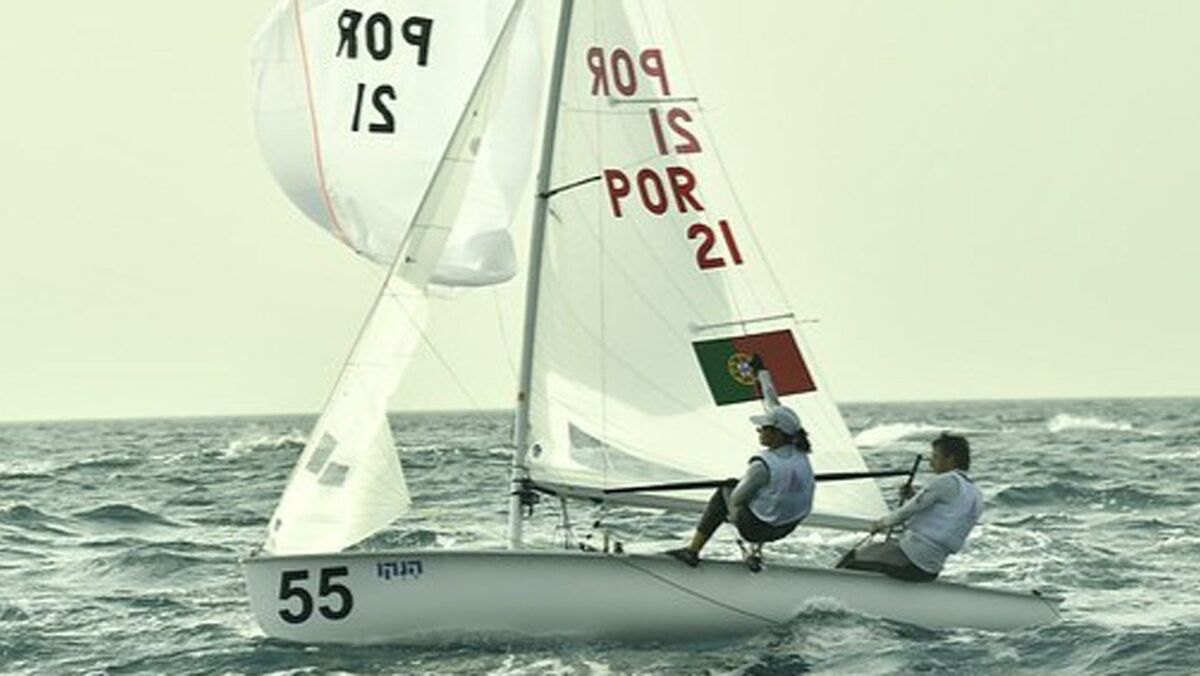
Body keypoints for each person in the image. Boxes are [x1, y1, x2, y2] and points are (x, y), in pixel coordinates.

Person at [666, 356, 815, 571]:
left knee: (726, 490)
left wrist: (738, 491)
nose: (759, 430)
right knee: (766, 496)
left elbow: (736, 500)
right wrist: (762, 374)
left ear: (777, 434)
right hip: (788, 526)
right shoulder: (799, 448)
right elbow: (773, 404)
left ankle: (692, 551)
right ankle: (755, 554)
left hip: (758, 530)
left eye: (764, 428)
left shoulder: (762, 466)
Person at [836, 432, 982, 581]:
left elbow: (905, 513)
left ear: (951, 459)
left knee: (853, 558)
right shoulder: (974, 492)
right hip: (931, 567)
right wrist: (912, 496)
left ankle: (833, 589)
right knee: (877, 552)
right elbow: (943, 516)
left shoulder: (946, 481)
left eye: (935, 456)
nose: (931, 462)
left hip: (912, 559)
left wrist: (880, 524)